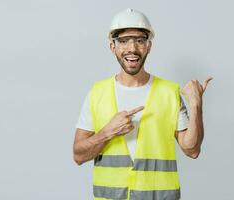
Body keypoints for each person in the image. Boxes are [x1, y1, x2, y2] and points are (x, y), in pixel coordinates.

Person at [73, 8, 212, 200]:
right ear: (113, 47)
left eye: (139, 40)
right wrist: (108, 132)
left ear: (149, 46)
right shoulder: (97, 93)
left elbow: (192, 150)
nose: (132, 48)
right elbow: (78, 155)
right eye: (123, 40)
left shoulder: (169, 92)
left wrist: (196, 105)